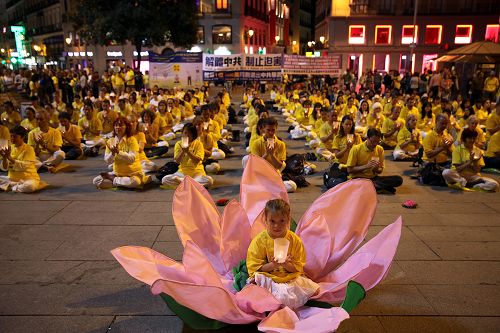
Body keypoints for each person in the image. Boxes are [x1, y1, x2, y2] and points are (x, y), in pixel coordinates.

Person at [246, 199, 319, 309]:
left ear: (288, 220)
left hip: (289, 277)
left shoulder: (294, 240)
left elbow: (297, 268)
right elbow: (256, 268)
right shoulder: (259, 241)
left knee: (313, 289)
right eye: (272, 221)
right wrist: (273, 265)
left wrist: (285, 264)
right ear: (265, 220)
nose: (277, 226)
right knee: (258, 287)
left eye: (282, 221)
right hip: (268, 277)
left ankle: (281, 301)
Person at [93, 117, 150, 189]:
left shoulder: (132, 140)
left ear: (127, 127)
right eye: (116, 125)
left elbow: (131, 159)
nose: (118, 127)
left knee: (135, 182)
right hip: (117, 173)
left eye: (121, 125)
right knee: (96, 181)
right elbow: (108, 161)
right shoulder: (110, 141)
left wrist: (118, 152)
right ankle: (121, 182)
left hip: (133, 173)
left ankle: (113, 180)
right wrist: (113, 153)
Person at [346, 127, 403, 194]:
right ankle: (375, 186)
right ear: (367, 138)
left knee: (398, 179)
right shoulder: (356, 149)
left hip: (373, 178)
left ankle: (375, 186)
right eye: (372, 141)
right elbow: (349, 170)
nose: (374, 144)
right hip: (358, 178)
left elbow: (380, 171)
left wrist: (376, 169)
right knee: (359, 184)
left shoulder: (379, 149)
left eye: (377, 142)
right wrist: (366, 166)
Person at [247, 117, 297, 193]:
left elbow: (279, 166)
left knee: (292, 186)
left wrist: (272, 155)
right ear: (263, 129)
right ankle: (269, 188)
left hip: (274, 173)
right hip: (260, 173)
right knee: (246, 159)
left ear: (276, 128)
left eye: (273, 130)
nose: (271, 133)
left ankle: (268, 188)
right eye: (268, 130)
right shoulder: (256, 143)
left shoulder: (280, 144)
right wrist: (266, 154)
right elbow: (256, 165)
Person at [161, 123, 213, 188]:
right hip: (182, 173)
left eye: (189, 134)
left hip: (197, 173)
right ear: (182, 133)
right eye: (185, 133)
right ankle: (191, 183)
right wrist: (183, 151)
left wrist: (188, 152)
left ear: (193, 135)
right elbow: (177, 161)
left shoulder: (198, 144)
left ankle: (184, 182)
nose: (187, 135)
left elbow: (197, 161)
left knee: (209, 181)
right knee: (165, 179)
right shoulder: (178, 144)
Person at [0, 125, 42, 193]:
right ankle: (13, 184)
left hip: (28, 179)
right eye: (11, 136)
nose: (12, 138)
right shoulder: (10, 148)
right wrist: (5, 157)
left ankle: (12, 187)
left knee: (30, 186)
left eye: (15, 136)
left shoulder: (29, 149)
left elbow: (24, 166)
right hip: (12, 178)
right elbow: (4, 168)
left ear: (22, 137)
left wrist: (9, 158)